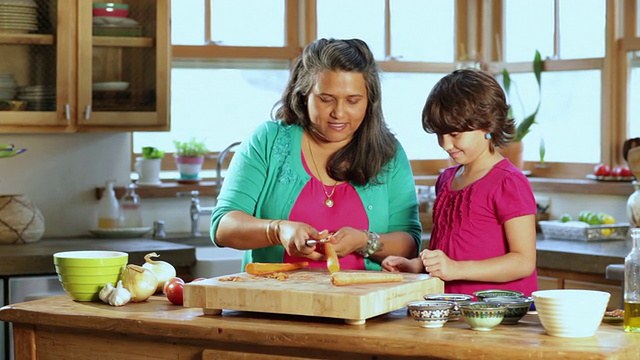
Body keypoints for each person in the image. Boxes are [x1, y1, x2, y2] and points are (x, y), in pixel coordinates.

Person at [210, 38, 421, 271]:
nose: (338, 113)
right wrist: (277, 230)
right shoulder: (267, 141)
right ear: (304, 94)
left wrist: (364, 241)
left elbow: (409, 245)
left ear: (369, 102)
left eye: (353, 101)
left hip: (366, 305)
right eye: (326, 99)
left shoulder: (388, 153)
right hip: (273, 304)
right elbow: (223, 227)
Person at [381, 68, 538, 296]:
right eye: (439, 134)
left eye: (455, 134)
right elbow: (446, 250)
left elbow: (523, 262)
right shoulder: (446, 180)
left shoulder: (509, 182)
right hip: (451, 309)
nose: (445, 144)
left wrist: (454, 269)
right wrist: (418, 265)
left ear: (487, 125)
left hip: (497, 315)